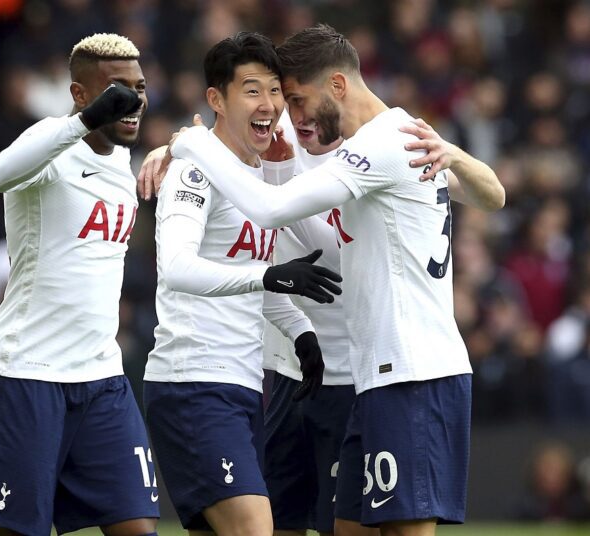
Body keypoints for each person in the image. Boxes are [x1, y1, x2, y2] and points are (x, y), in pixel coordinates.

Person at [170, 24, 505, 536]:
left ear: (338, 87)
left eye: (298, 100)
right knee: (347, 526)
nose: (292, 116)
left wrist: (192, 144)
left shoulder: (382, 144)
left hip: (416, 371)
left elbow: (270, 207)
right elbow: (493, 194)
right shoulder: (401, 138)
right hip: (375, 376)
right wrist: (452, 153)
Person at [0, 33, 160, 536]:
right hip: (27, 375)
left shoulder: (122, 162)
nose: (133, 100)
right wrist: (86, 122)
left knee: (139, 528)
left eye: (140, 87)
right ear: (79, 95)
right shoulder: (50, 141)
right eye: (118, 89)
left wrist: (176, 146)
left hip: (101, 378)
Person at [143, 32, 342, 536]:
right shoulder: (192, 172)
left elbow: (251, 278)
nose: (270, 105)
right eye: (253, 90)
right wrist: (270, 274)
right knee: (256, 529)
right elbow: (178, 269)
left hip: (241, 382)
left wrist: (300, 332)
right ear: (216, 99)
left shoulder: (252, 177)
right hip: (193, 380)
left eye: (275, 91)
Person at [260, 113, 377, 536]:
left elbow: (332, 255)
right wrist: (173, 147)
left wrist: (278, 178)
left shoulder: (368, 154)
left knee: (342, 524)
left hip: (347, 376)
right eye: (289, 98)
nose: (295, 112)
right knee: (278, 519)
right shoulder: (272, 141)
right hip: (290, 370)